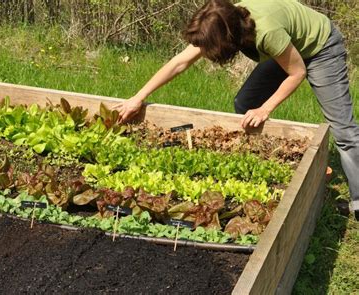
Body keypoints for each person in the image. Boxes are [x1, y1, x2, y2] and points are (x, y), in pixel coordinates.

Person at [114, 0, 359, 218]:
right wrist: (139, 96)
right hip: (286, 46)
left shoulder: (266, 32)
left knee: (344, 132)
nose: (207, 53)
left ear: (227, 39)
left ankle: (358, 203)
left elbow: (297, 73)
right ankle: (260, 165)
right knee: (244, 104)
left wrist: (266, 108)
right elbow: (179, 63)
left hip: (319, 48)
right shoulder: (224, 23)